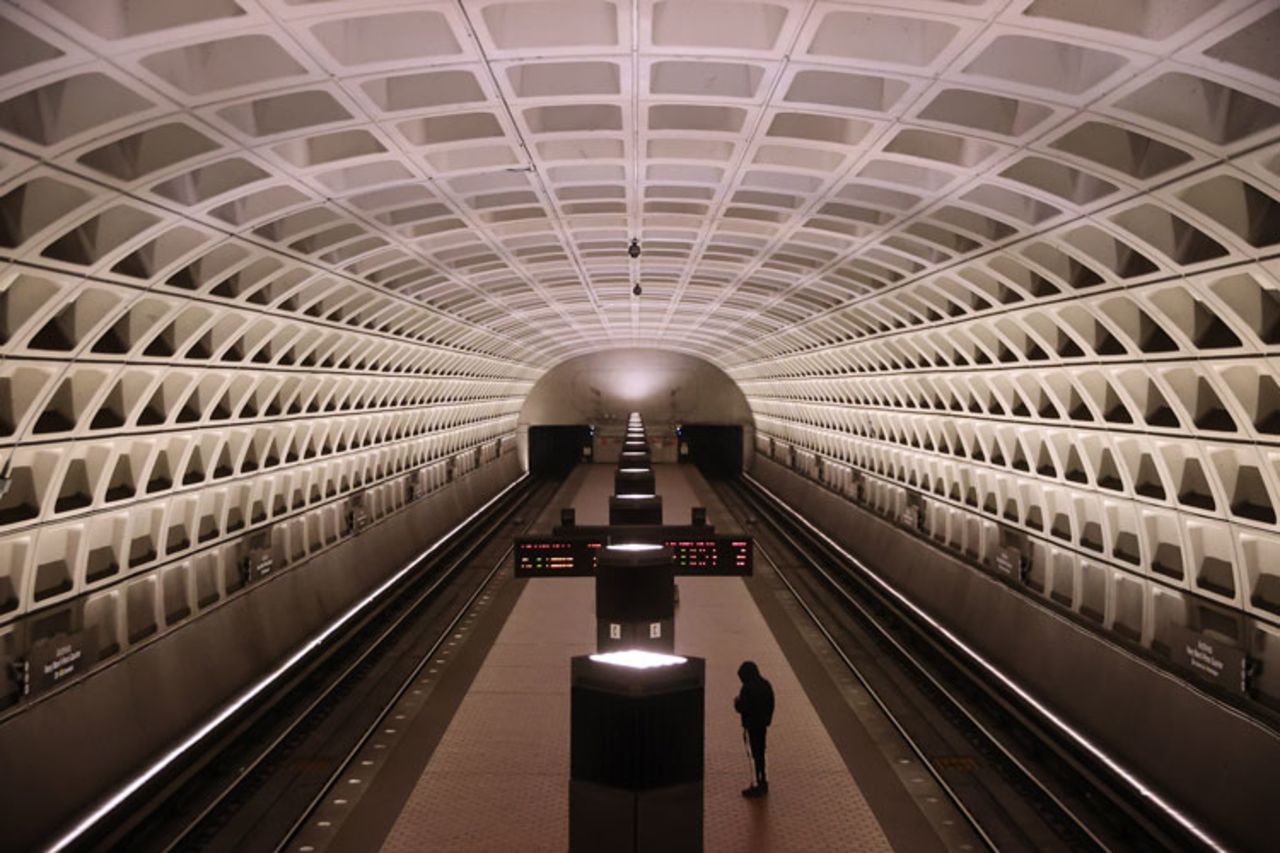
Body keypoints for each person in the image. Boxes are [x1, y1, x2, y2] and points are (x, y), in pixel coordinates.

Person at [733, 660, 774, 797]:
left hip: (752, 725)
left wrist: (737, 702)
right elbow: (771, 703)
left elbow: (743, 707)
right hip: (762, 725)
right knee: (761, 751)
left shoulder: (747, 688)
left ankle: (757, 782)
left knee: (754, 754)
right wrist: (768, 719)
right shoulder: (765, 684)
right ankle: (763, 780)